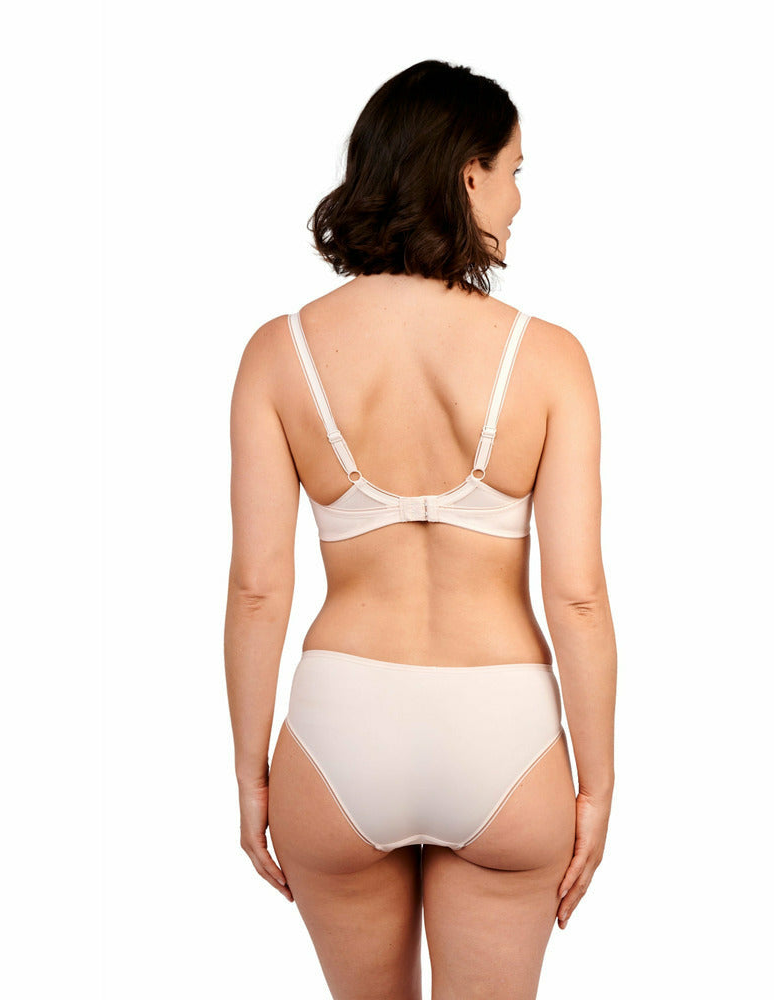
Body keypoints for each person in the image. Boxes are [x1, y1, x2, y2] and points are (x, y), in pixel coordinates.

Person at [224, 59, 617, 999]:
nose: (518, 199)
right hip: (504, 734)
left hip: (339, 732)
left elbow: (258, 589)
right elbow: (577, 597)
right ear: (468, 174)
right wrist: (597, 785)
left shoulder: (278, 354)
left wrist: (251, 775)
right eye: (514, 171)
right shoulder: (549, 359)